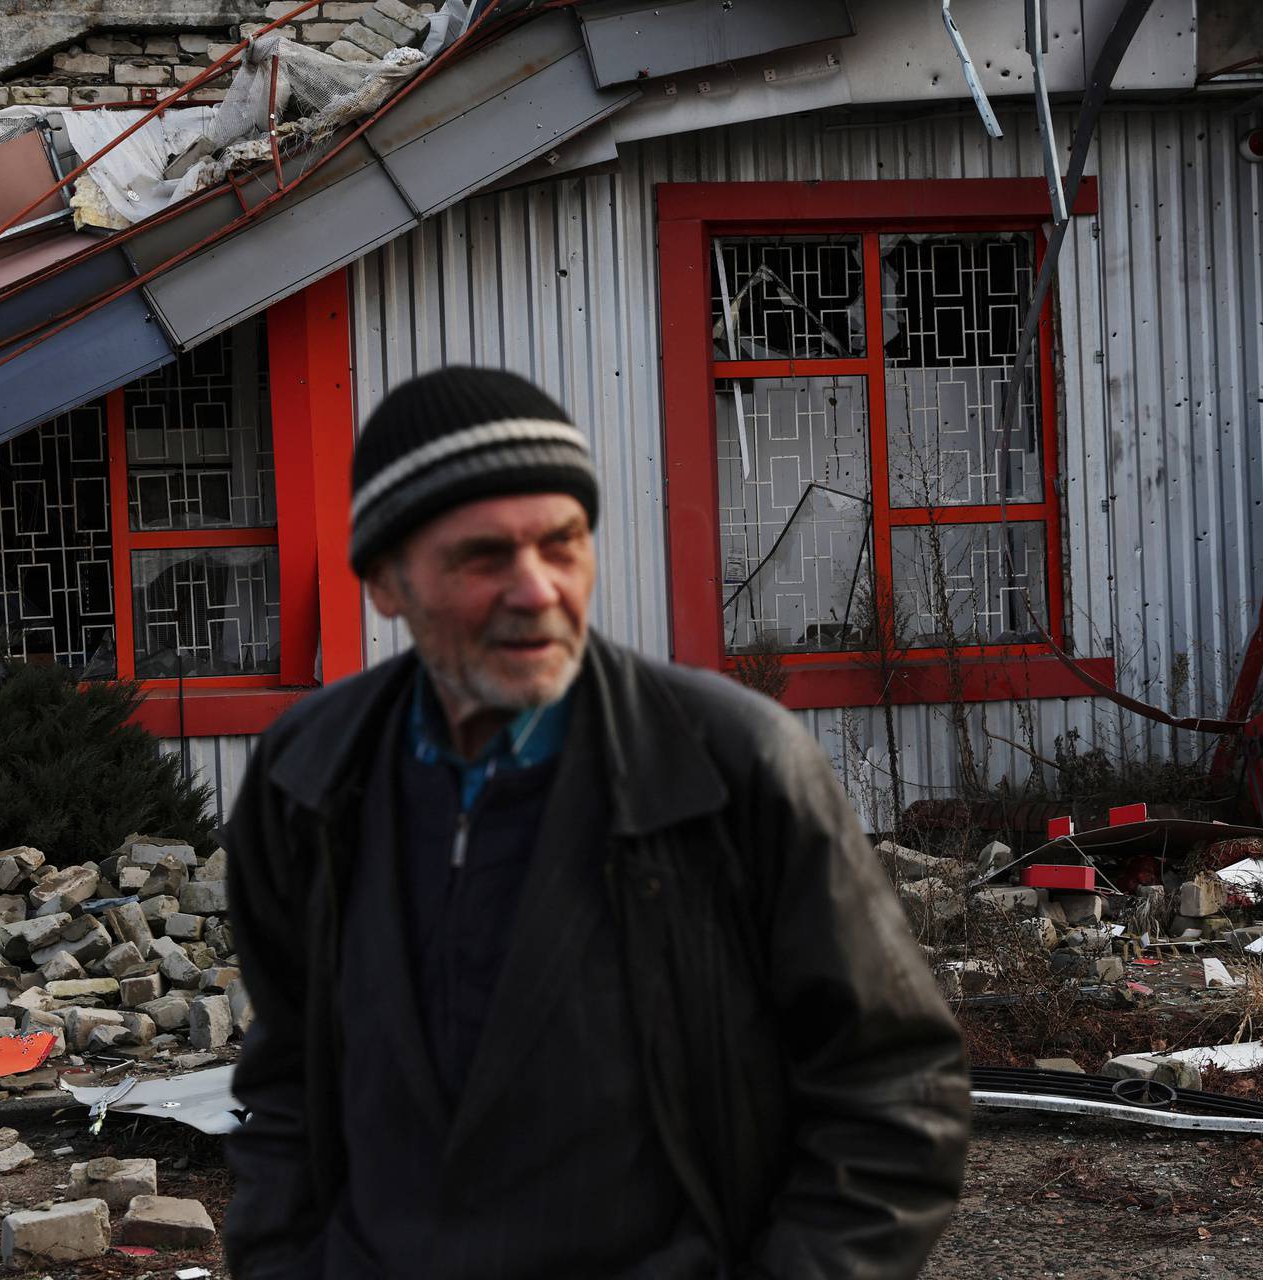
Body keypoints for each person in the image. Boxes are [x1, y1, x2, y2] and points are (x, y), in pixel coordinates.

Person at [222, 367, 970, 1279]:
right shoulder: (308, 778)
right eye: (483, 556)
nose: (536, 590)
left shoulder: (735, 771)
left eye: (563, 544)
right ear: (386, 580)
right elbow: (285, 1077)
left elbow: (896, 1091)